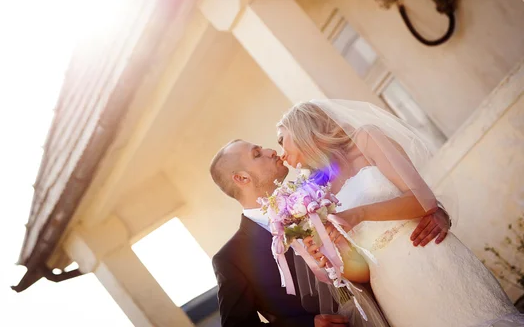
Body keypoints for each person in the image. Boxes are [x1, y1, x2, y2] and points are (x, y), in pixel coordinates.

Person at [277, 99, 524, 327]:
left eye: (281, 140)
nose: (280, 153)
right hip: (392, 288)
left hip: (430, 255)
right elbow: (361, 271)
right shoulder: (317, 192)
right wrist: (333, 258)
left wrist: (358, 214)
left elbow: (423, 201)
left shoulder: (366, 139)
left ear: (302, 129)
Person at [209, 137, 451, 326]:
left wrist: (430, 211)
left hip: (402, 310)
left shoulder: (320, 192)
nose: (271, 151)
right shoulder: (231, 259)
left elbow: (382, 199)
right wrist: (306, 326)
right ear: (241, 178)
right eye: (257, 154)